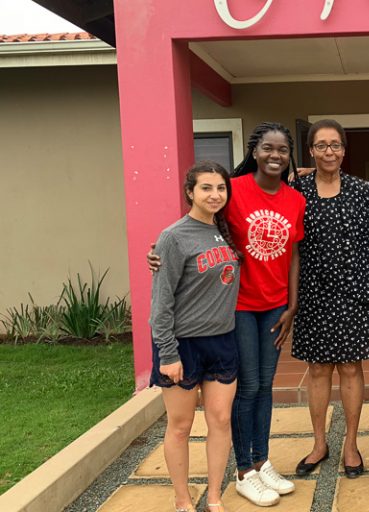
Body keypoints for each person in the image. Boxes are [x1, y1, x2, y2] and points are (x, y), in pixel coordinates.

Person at [149, 123, 305, 507]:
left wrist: (292, 305)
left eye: (282, 150)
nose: (275, 155)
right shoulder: (233, 190)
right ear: (254, 151)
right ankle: (244, 470)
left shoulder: (295, 199)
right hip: (236, 308)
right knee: (247, 389)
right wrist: (159, 252)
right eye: (267, 148)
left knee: (264, 387)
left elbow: (295, 253)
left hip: (273, 305)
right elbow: (196, 226)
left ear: (289, 156)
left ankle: (262, 459)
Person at [149, 161, 240, 512]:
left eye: (220, 187)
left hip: (221, 341)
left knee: (219, 421)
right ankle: (183, 499)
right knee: (181, 426)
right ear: (190, 192)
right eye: (206, 188)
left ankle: (214, 496)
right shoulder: (173, 236)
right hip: (183, 345)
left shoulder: (223, 229)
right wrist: (168, 353)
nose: (215, 194)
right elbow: (161, 302)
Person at [291, 119, 369, 479]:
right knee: (317, 370)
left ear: (344, 150)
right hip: (314, 293)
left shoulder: (362, 191)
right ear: (311, 151)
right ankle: (319, 443)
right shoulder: (297, 191)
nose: (330, 151)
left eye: (336, 145)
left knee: (350, 368)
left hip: (354, 292)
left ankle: (352, 444)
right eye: (322, 145)